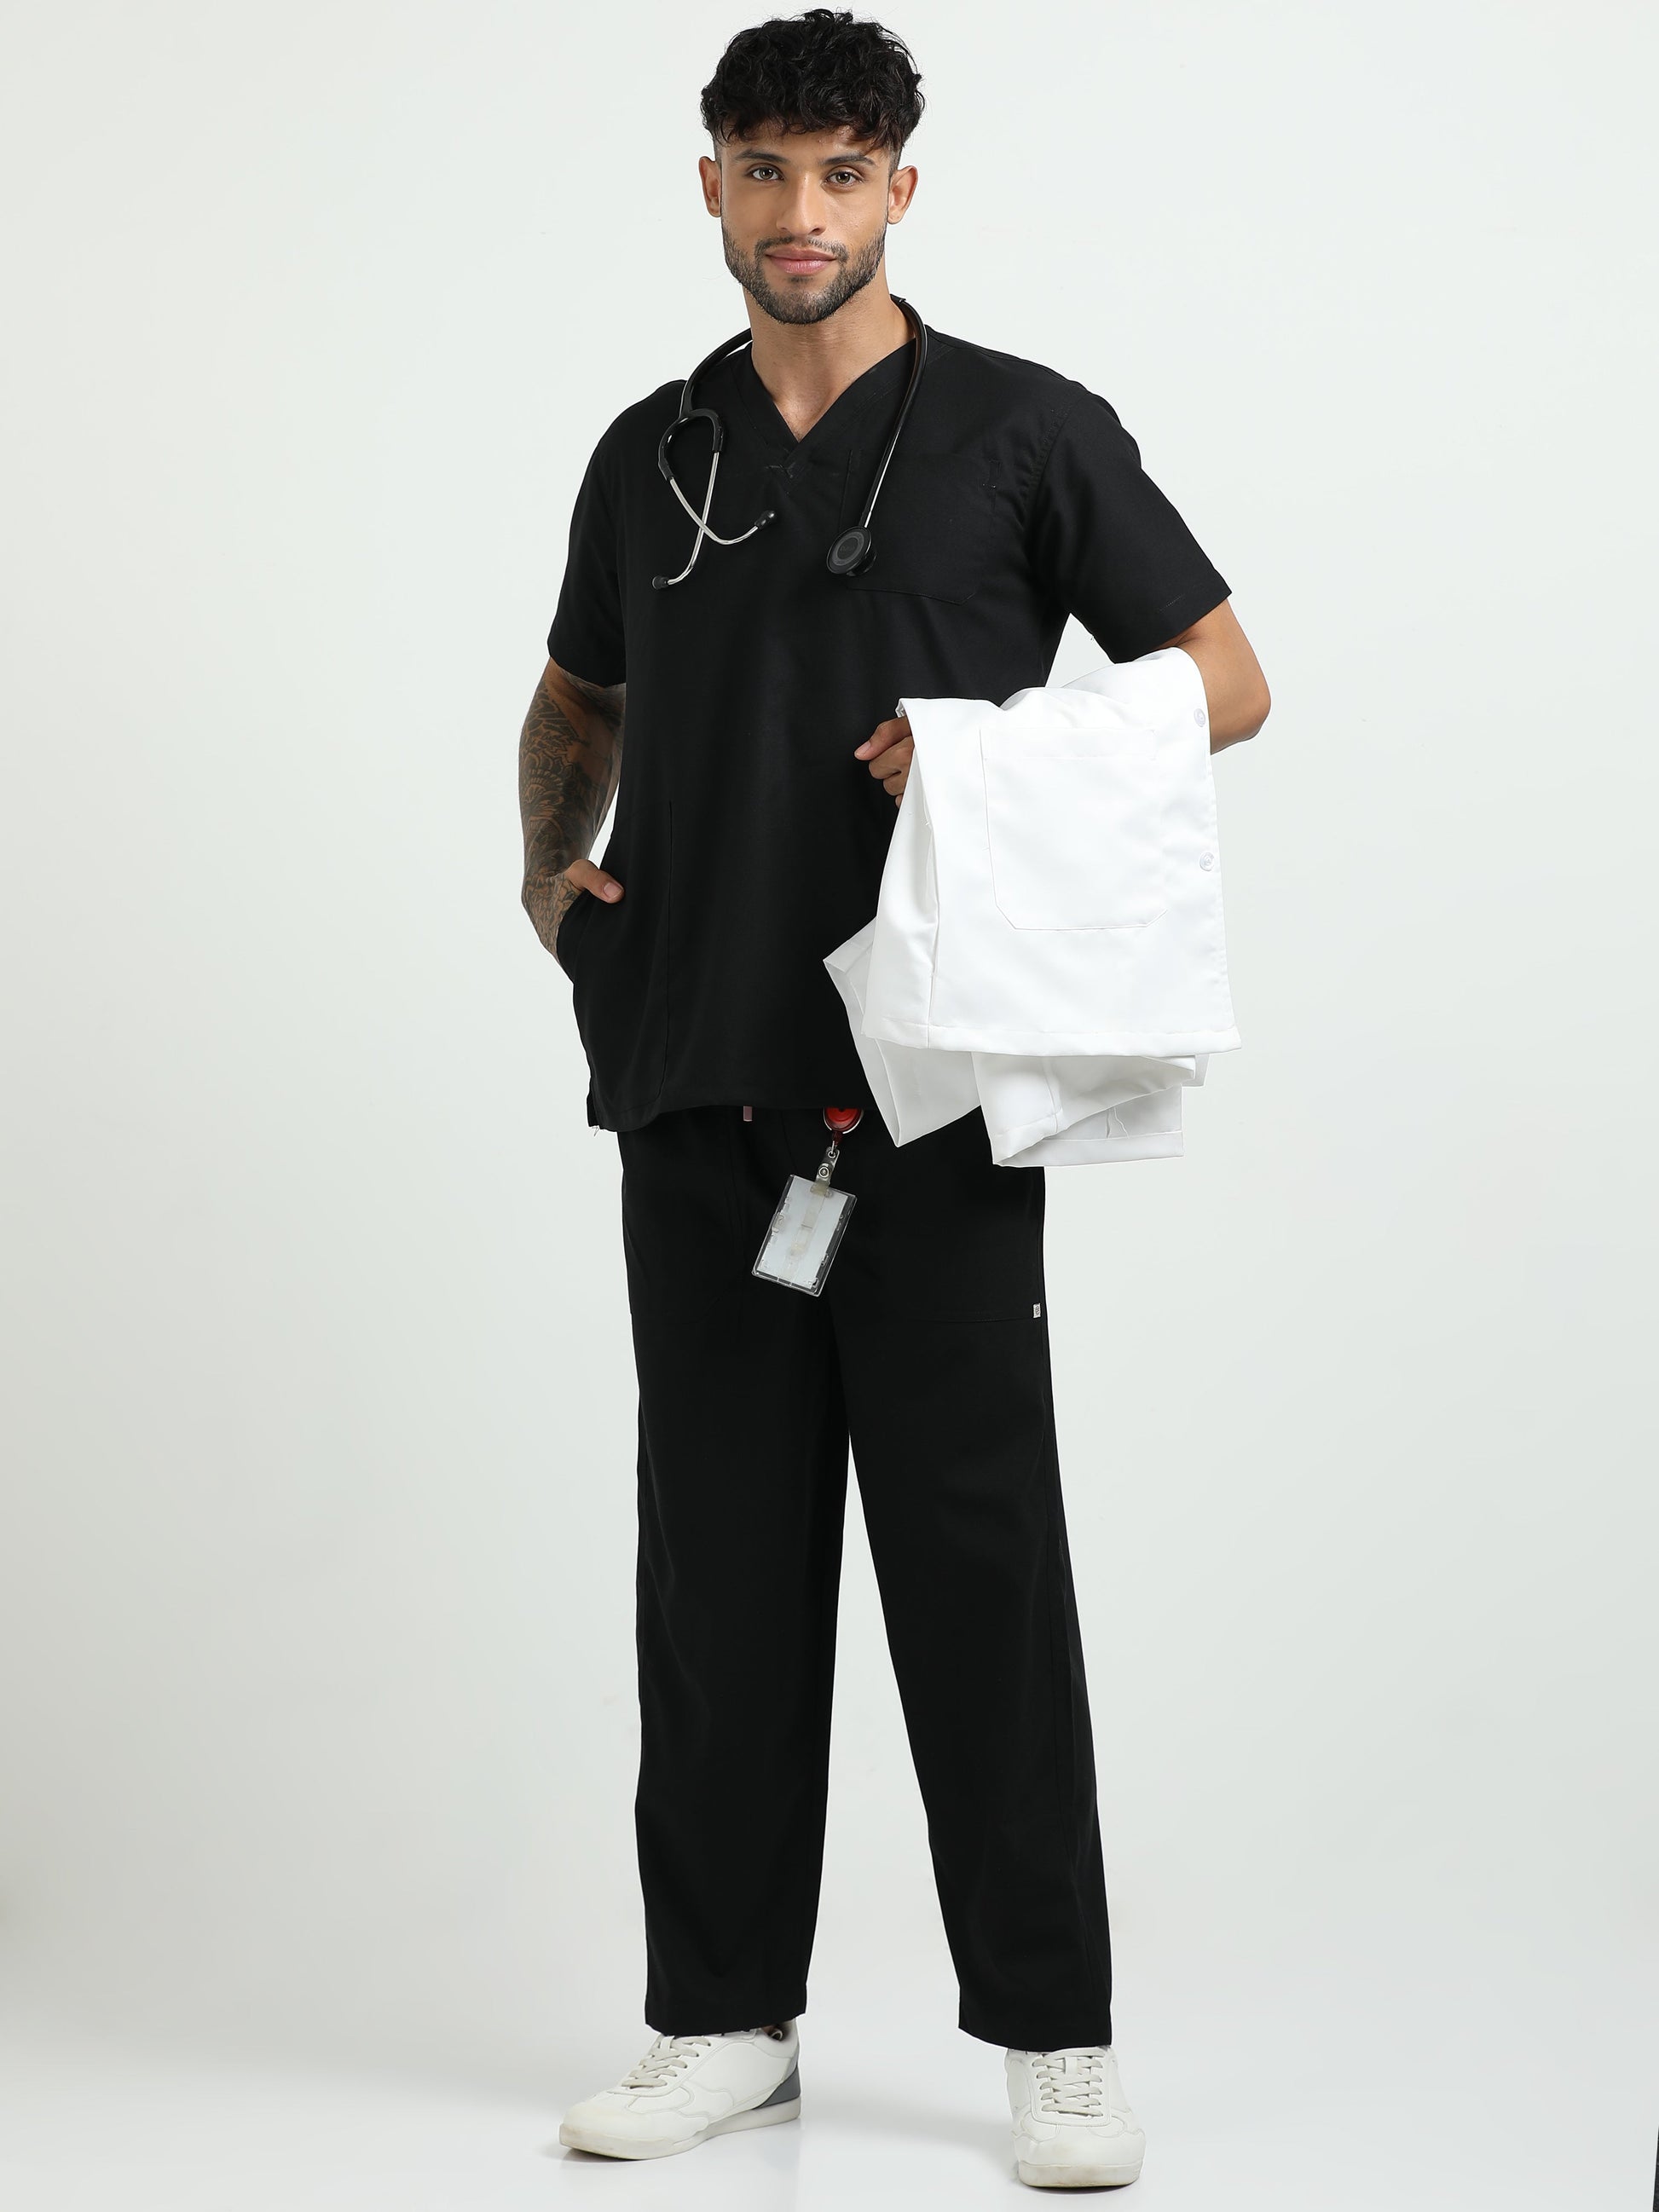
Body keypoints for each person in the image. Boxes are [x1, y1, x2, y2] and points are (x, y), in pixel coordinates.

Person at [518, 8, 1270, 2188]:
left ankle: (1054, 2034)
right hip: (694, 1084)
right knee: (716, 1583)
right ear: (711, 186)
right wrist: (552, 883)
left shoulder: (1025, 435)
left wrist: (988, 746)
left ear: (900, 191)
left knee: (976, 1570)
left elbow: (1225, 680)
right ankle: (719, 2021)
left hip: (922, 1093)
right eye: (763, 168)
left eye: (842, 172)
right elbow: (575, 697)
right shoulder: (650, 454)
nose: (802, 211)